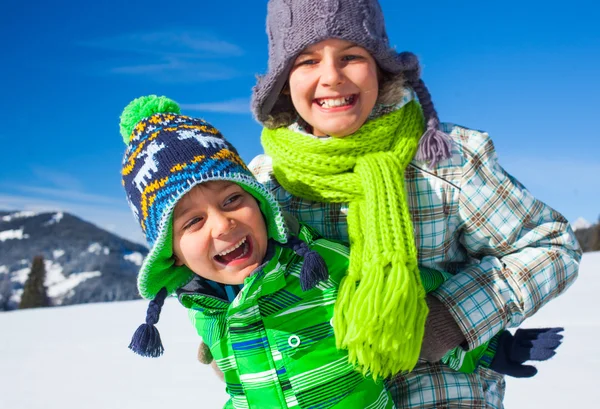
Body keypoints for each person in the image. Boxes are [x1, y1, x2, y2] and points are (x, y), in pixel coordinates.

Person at [120, 96, 564, 409]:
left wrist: (491, 347)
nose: (222, 224)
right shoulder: (208, 312)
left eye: (232, 200)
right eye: (192, 222)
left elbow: (410, 310)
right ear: (171, 254)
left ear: (260, 203)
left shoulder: (324, 268)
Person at [245, 0, 582, 407]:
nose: (331, 77)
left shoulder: (445, 160)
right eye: (307, 61)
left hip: (440, 392)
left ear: (382, 68)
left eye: (351, 56)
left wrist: (449, 318)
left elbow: (550, 244)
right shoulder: (268, 186)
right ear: (283, 82)